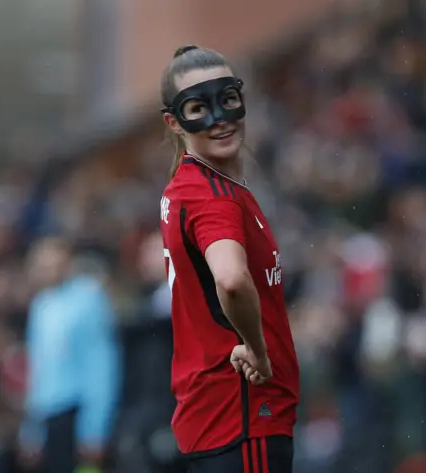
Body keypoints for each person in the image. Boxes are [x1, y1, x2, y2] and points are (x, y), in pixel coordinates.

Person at [158, 45, 300, 473]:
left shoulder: (191, 185)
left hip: (218, 420)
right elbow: (232, 279)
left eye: (228, 100)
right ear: (174, 122)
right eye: (199, 107)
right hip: (242, 416)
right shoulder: (212, 197)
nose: (219, 118)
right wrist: (256, 350)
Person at [18, 236, 121, 473]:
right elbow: (38, 369)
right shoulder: (41, 305)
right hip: (49, 414)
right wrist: (31, 429)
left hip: (76, 411)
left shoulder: (88, 299)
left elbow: (101, 363)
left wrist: (95, 428)